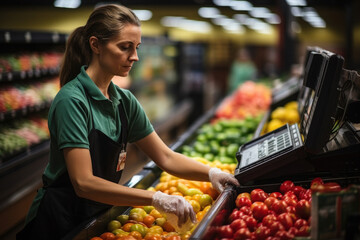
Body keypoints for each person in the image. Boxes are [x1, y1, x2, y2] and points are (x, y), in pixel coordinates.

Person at [17, 4, 239, 239]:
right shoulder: (72, 101)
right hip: (58, 221)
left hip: (96, 214)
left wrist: (212, 173)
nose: (135, 56)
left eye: (136, 47)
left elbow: (165, 157)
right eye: (125, 47)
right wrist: (154, 198)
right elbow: (84, 183)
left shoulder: (124, 100)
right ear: (96, 45)